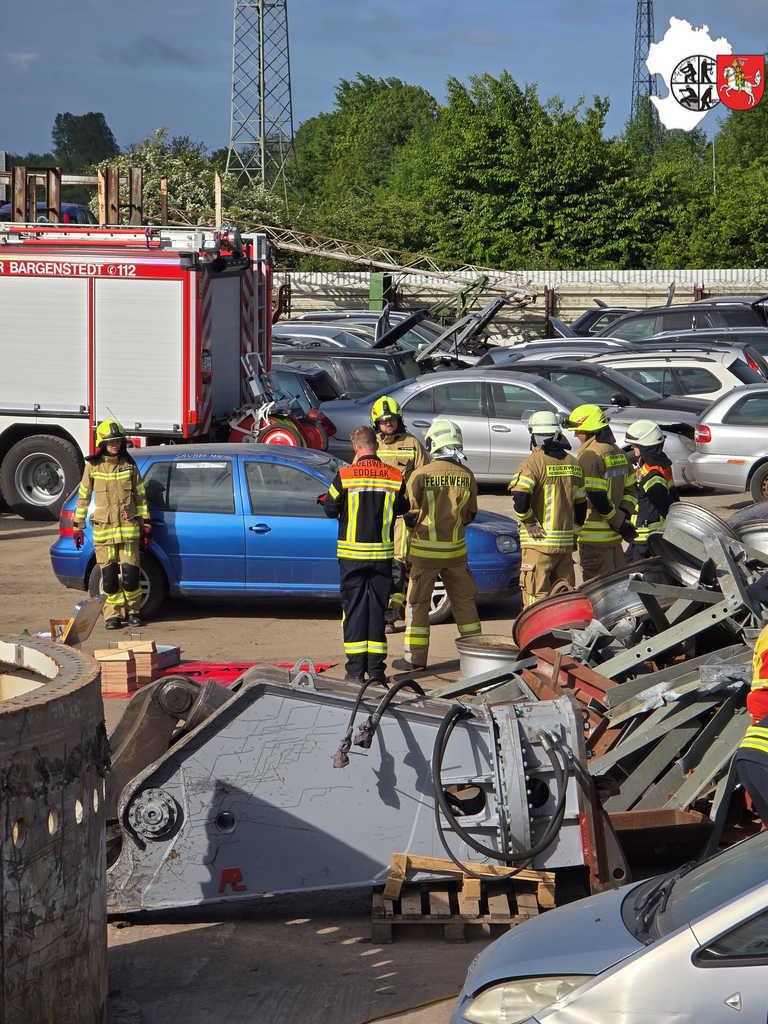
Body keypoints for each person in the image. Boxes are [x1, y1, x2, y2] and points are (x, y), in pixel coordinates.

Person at [321, 425, 409, 684]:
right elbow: (403, 507)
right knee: (377, 611)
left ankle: (355, 672)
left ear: (356, 448)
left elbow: (329, 509)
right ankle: (378, 672)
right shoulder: (394, 477)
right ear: (377, 446)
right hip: (381, 557)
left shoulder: (344, 476)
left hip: (352, 558)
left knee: (354, 611)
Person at [391, 419, 480, 673]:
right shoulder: (467, 475)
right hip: (456, 552)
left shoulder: (421, 474)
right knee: (464, 603)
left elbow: (408, 511)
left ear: (433, 443)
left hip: (424, 552)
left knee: (418, 604)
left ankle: (414, 659)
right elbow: (470, 514)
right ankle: (476, 658)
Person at [73, 420, 151, 630]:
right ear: (102, 443)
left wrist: (146, 524)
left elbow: (141, 497)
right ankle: (112, 616)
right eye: (110, 441)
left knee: (131, 576)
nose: (115, 444)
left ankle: (133, 612)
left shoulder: (129, 465)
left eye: (117, 441)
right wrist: (77, 526)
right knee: (108, 579)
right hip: (104, 531)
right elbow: (83, 497)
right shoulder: (93, 467)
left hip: (128, 530)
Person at [509, 410, 587, 608]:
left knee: (536, 597)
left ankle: (537, 637)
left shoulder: (532, 463)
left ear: (534, 435)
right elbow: (580, 504)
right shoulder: (573, 463)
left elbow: (520, 497)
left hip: (538, 545)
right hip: (564, 548)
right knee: (564, 597)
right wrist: (574, 532)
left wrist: (529, 521)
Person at [370, 395, 428, 633]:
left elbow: (425, 477)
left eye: (392, 420)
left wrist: (419, 511)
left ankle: (391, 615)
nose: (388, 424)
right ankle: (376, 610)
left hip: (401, 518)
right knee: (377, 563)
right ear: (376, 423)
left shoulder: (412, 443)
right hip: (374, 515)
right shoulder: (371, 444)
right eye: (384, 421)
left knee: (398, 562)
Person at [563, 404, 637, 581]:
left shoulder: (590, 455)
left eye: (579, 431)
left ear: (590, 430)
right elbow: (631, 489)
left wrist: (617, 519)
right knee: (618, 589)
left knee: (599, 594)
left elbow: (595, 495)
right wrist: (624, 514)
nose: (576, 435)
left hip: (594, 539)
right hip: (614, 539)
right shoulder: (617, 452)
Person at [624, 419, 678, 562]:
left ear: (645, 447)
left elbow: (663, 505)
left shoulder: (653, 475)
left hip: (646, 538)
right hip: (650, 536)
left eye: (635, 447)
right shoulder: (662, 465)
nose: (634, 452)